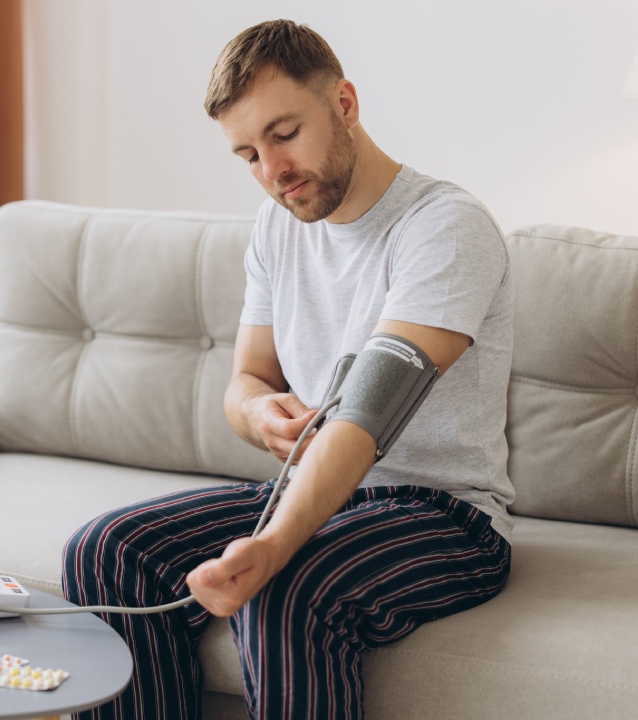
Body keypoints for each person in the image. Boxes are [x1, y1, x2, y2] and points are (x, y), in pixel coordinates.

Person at [63, 19, 514, 720]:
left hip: (445, 515)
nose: (272, 171)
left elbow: (367, 414)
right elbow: (246, 380)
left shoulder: (445, 227)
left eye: (283, 133)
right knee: (105, 549)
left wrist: (272, 546)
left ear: (345, 104)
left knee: (286, 584)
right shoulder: (278, 227)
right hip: (311, 489)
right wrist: (257, 414)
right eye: (247, 153)